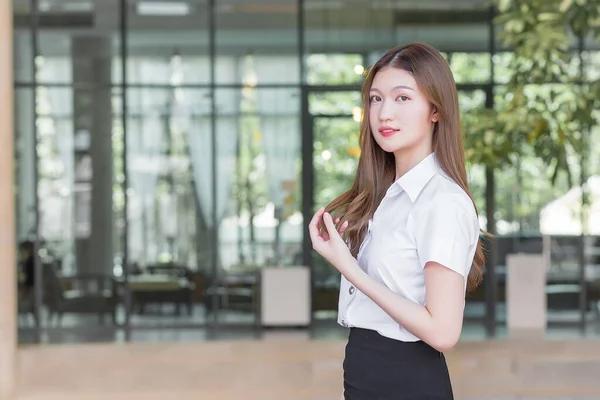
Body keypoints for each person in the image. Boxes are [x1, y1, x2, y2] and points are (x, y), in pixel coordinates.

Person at [308, 42, 485, 399]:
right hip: (364, 368)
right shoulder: (385, 198)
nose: (384, 113)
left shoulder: (443, 201)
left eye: (402, 98)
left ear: (435, 110)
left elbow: (443, 332)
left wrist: (350, 268)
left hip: (406, 379)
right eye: (375, 99)